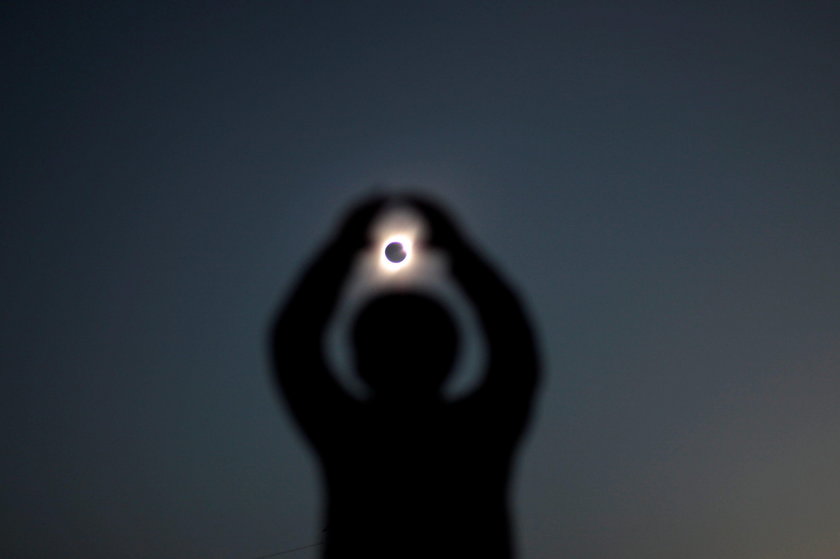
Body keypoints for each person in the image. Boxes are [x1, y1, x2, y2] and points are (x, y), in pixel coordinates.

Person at [271, 194, 540, 558]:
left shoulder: (348, 434)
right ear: (450, 354)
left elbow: (294, 342)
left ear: (359, 361)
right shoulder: (482, 430)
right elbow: (514, 341)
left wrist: (342, 249)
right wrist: (458, 251)